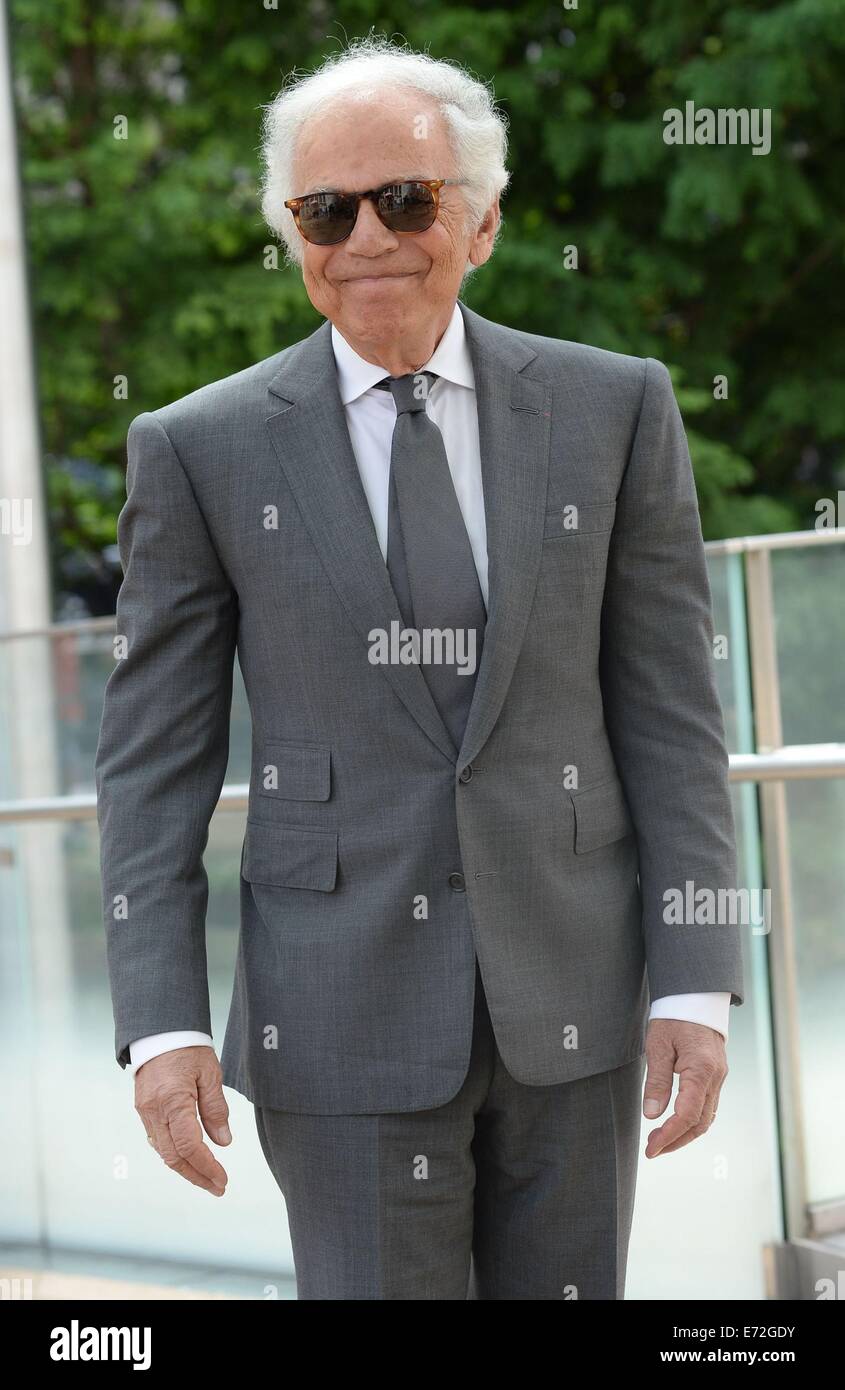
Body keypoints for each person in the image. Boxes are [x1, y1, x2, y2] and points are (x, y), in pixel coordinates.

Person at [95, 37, 743, 1300]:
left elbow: (671, 714)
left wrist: (697, 980)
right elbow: (150, 762)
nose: (367, 238)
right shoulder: (197, 449)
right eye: (325, 210)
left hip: (576, 1002)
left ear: (483, 221)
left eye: (405, 198)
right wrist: (163, 1024)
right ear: (294, 236)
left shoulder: (614, 409)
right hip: (333, 1021)